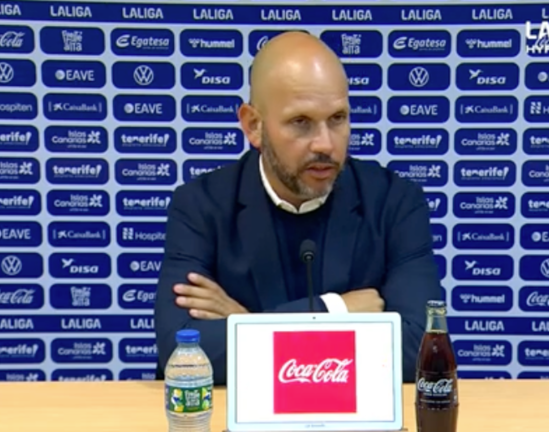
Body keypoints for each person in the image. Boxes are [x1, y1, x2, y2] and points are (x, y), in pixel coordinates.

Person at [155, 32, 442, 385]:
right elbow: (180, 355)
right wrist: (334, 311)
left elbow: (420, 347)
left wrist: (246, 323)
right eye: (301, 122)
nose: (325, 143)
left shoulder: (395, 203)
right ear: (253, 126)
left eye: (337, 118)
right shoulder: (200, 205)